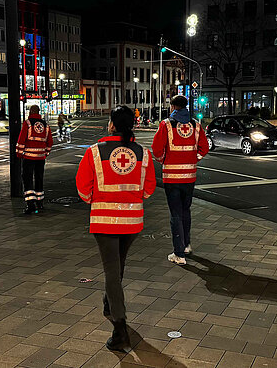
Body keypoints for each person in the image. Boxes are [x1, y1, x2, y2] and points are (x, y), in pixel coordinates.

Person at [76, 106, 156, 352]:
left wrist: (96, 200)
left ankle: (120, 328)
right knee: (118, 265)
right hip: (132, 221)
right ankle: (110, 304)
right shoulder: (143, 153)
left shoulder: (94, 152)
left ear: (111, 124)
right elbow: (149, 187)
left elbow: (83, 187)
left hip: (104, 221)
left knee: (111, 271)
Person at [152, 95, 209, 265]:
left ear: (173, 106)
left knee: (175, 213)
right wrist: (194, 159)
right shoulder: (196, 125)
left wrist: (164, 160)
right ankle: (186, 245)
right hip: (190, 176)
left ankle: (179, 254)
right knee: (186, 211)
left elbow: (156, 149)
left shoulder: (166, 124)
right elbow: (204, 148)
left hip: (171, 177)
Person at [16, 105, 53, 214]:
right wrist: (45, 153)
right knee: (39, 178)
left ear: (31, 112)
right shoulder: (45, 125)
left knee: (27, 179)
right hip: (41, 157)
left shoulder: (27, 123)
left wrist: (19, 153)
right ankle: (40, 202)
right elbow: (50, 141)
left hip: (28, 157)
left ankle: (30, 203)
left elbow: (21, 139)